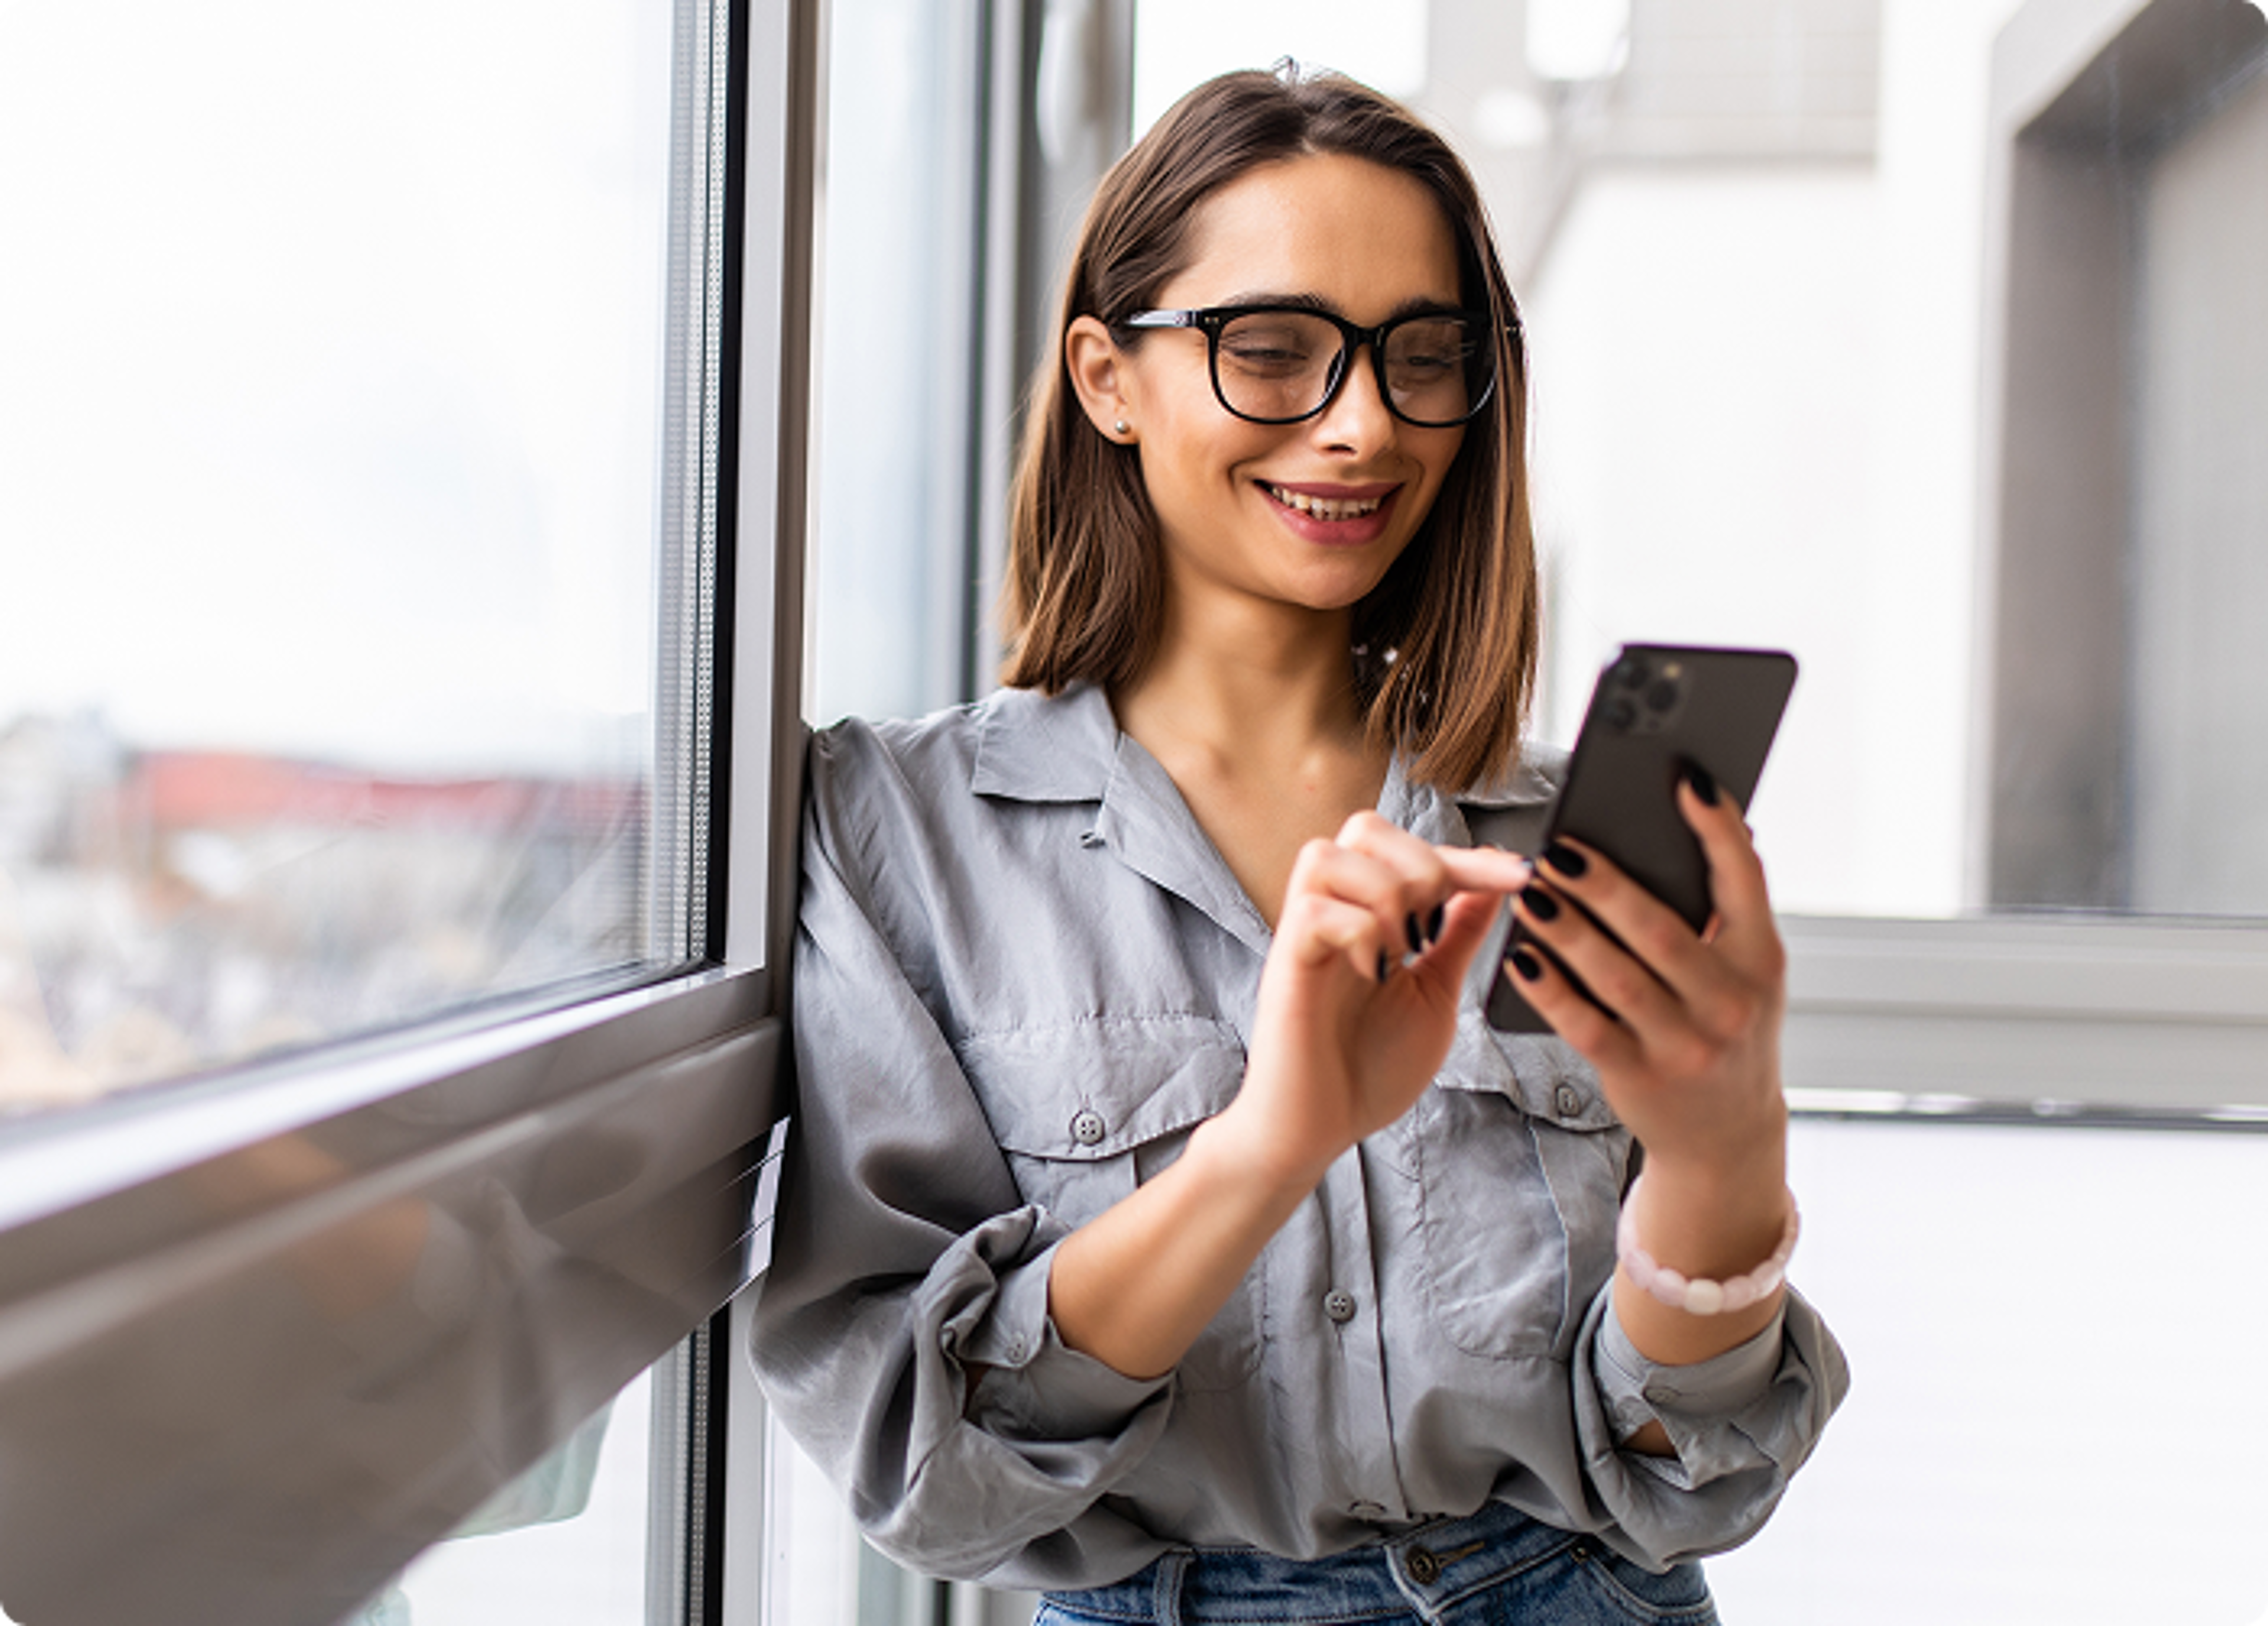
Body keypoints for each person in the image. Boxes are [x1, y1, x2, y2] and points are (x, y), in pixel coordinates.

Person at [750, 64, 1847, 1626]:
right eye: (1271, 350)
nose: (1363, 424)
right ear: (1109, 377)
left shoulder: (1561, 845)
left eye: (1423, 356)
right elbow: (929, 1472)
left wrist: (1725, 1157)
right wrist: (1271, 1145)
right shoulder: (897, 840)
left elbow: (1688, 1464)